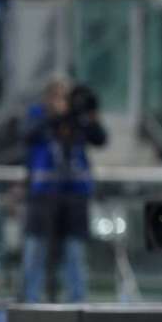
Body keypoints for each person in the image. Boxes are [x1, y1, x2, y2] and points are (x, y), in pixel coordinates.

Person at [22, 77, 106, 303]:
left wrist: (89, 115)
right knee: (36, 250)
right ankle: (30, 302)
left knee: (74, 252)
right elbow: (27, 136)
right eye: (57, 96)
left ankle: (77, 302)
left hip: (75, 194)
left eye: (65, 96)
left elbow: (100, 139)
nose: (62, 102)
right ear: (48, 98)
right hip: (43, 194)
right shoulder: (38, 116)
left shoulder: (78, 120)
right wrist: (57, 116)